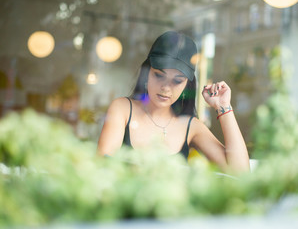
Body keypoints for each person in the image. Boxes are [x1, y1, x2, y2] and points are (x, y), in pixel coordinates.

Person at [97, 31, 249, 173]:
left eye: (177, 81)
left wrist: (224, 107)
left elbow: (240, 172)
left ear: (186, 85)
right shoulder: (122, 109)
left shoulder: (191, 126)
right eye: (159, 75)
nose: (165, 87)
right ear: (146, 73)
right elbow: (102, 168)